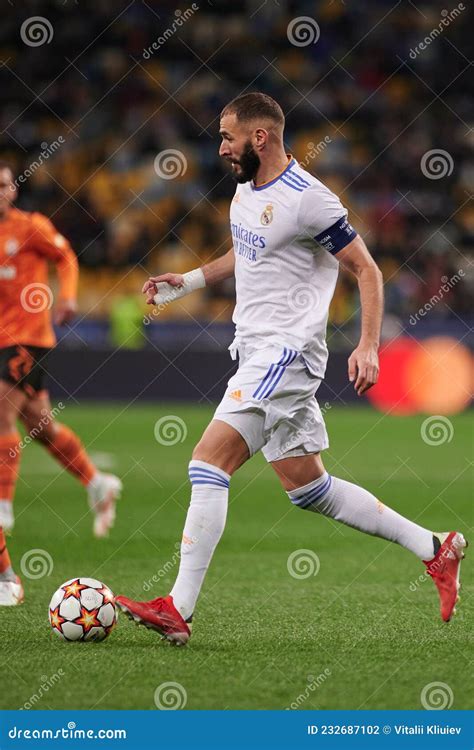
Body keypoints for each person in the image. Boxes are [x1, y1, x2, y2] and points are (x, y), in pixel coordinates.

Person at [116, 93, 466, 644]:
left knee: (208, 463)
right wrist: (184, 282)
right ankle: (435, 547)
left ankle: (178, 609)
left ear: (261, 137)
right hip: (255, 349)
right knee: (307, 487)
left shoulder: (310, 201)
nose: (221, 146)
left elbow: (368, 271)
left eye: (228, 136)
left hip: (288, 352)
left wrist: (369, 344)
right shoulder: (243, 190)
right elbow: (244, 254)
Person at [0, 162, 122, 607]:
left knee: (2, 413)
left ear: (13, 190)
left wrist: (68, 296)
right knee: (42, 426)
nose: (1, 193)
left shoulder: (30, 228)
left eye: (4, 185)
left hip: (26, 337)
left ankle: (3, 506)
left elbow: (66, 256)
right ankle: (96, 482)